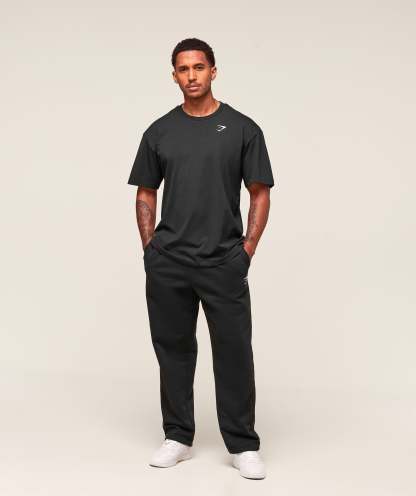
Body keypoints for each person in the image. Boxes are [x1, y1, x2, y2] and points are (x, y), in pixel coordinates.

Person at [127, 38, 275, 480]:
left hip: (223, 261)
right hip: (168, 262)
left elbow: (260, 192)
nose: (191, 76)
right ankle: (177, 436)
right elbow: (146, 191)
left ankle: (242, 444)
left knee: (234, 353)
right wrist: (150, 249)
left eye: (198, 67)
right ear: (173, 75)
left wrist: (246, 251)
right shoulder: (159, 132)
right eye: (182, 69)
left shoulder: (243, 129)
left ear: (213, 71)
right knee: (173, 351)